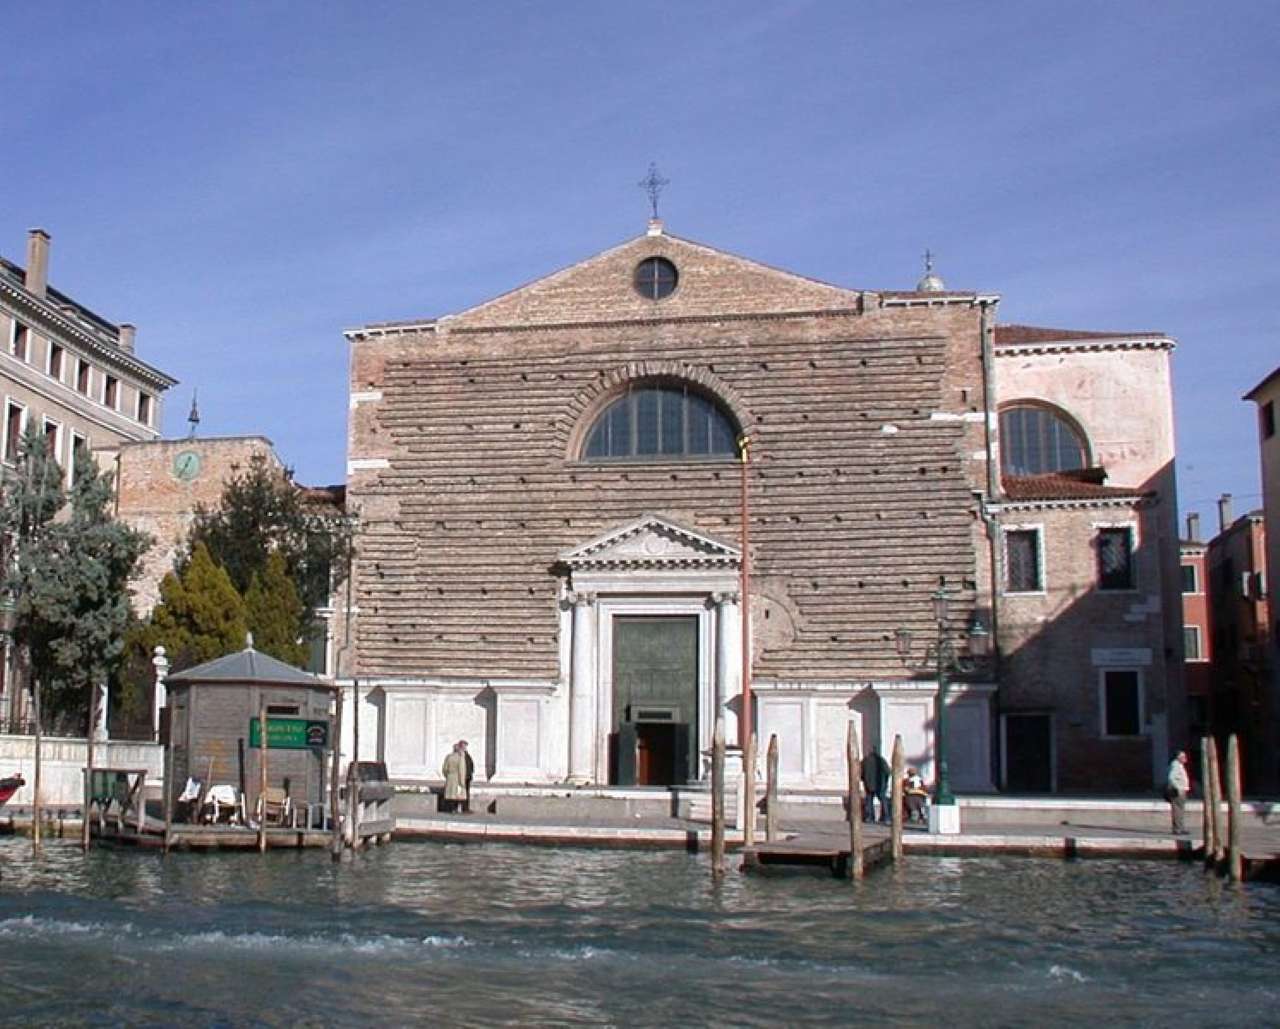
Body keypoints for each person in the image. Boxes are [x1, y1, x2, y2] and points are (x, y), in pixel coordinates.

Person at [861, 746, 890, 823]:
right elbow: (887, 772)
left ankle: (870, 817)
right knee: (883, 800)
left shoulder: (865, 761)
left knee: (869, 801)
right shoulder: (881, 760)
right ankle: (886, 817)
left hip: (869, 783)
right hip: (880, 784)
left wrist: (864, 779)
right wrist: (885, 781)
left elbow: (860, 772)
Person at [1166, 750, 1191, 836]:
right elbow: (1171, 778)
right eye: (1183, 756)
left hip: (1182, 790)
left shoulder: (1180, 766)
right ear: (1178, 757)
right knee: (1177, 810)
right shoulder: (1176, 766)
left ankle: (1181, 827)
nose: (1185, 758)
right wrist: (1178, 788)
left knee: (1181, 810)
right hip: (1178, 791)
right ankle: (1177, 828)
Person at [441, 741, 467, 814]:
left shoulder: (448, 757)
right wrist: (462, 782)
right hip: (457, 778)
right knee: (458, 795)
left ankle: (450, 809)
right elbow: (461, 770)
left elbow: (444, 769)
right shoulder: (460, 757)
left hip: (450, 777)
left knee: (450, 795)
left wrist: (448, 776)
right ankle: (457, 809)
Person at [460, 740, 475, 814]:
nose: (465, 747)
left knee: (466, 793)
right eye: (464, 746)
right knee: (462, 793)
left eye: (466, 746)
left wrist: (471, 772)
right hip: (463, 777)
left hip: (467, 776)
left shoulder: (466, 754)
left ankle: (466, 808)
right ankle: (463, 808)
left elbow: (471, 764)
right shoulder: (460, 755)